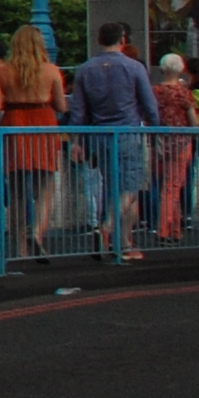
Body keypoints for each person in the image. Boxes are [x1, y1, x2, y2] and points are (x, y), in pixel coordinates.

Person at [65, 21, 156, 249]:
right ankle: (108, 228)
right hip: (128, 132)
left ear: (99, 39)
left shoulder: (85, 69)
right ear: (123, 40)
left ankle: (123, 242)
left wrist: (76, 141)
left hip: (99, 135)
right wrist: (156, 129)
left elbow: (78, 110)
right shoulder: (134, 67)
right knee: (131, 187)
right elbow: (149, 105)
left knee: (112, 186)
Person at [0, 25, 63, 256]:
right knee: (45, 185)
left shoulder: (1, 72)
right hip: (43, 122)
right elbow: (61, 105)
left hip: (14, 123)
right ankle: (37, 232)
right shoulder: (51, 70)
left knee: (16, 190)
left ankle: (20, 247)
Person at [151, 52, 199, 241]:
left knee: (166, 184)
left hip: (159, 142)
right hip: (181, 142)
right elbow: (193, 120)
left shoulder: (155, 91)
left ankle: (175, 229)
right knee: (173, 186)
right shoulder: (184, 92)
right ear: (181, 69)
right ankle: (163, 229)